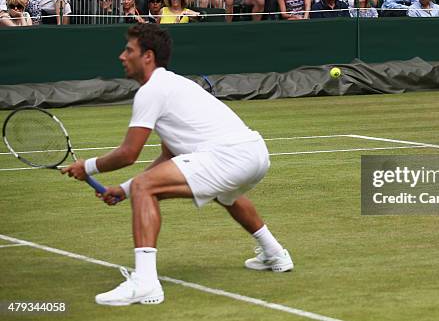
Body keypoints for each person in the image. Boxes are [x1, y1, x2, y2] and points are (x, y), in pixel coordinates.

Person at [61, 23, 293, 306]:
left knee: (147, 187)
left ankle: (146, 283)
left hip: (230, 155)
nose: (122, 56)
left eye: (128, 50)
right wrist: (123, 189)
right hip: (255, 154)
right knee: (224, 194)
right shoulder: (175, 84)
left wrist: (89, 167)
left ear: (147, 56)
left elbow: (128, 153)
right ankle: (275, 253)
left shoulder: (151, 90)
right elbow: (169, 157)